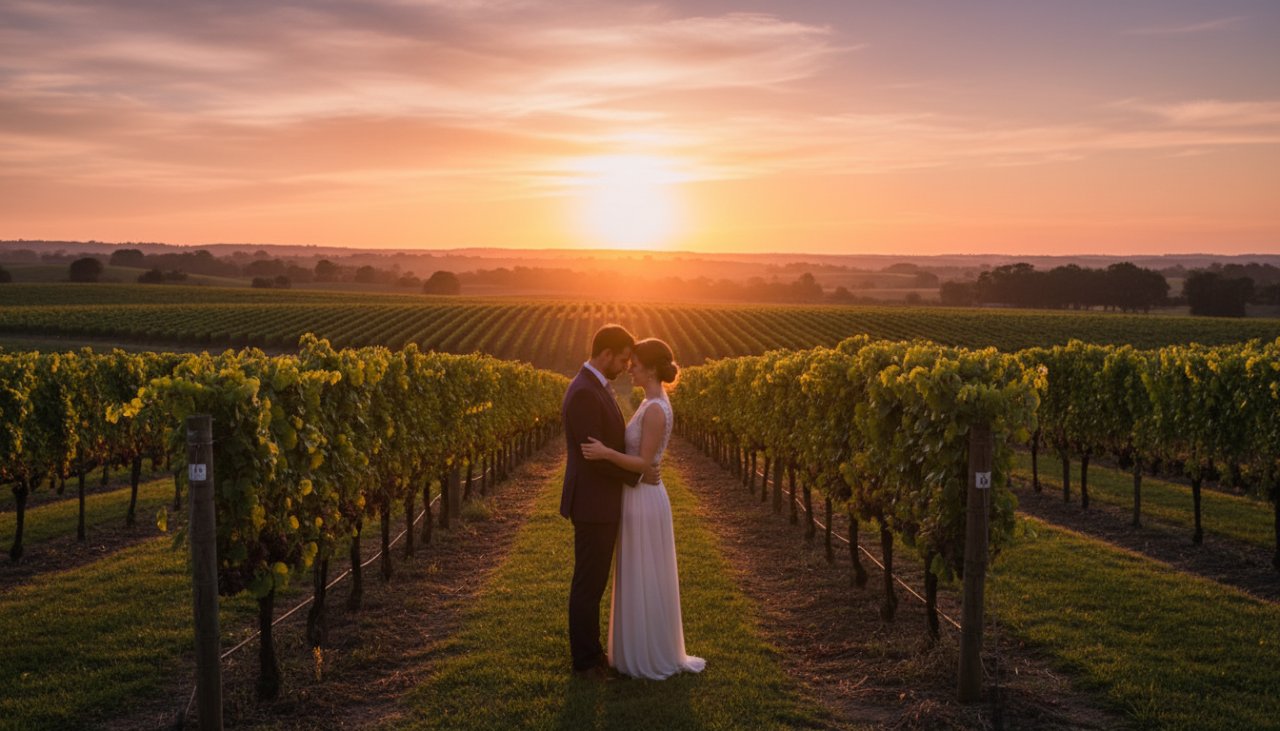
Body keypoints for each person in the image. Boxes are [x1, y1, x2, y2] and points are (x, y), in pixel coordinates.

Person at [582, 337, 706, 680]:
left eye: (635, 364)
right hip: (639, 494)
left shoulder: (654, 409)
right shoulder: (650, 402)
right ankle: (636, 648)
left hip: (644, 499)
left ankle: (648, 654)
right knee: (638, 570)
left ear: (651, 370)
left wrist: (605, 453)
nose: (629, 369)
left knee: (644, 572)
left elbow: (643, 462)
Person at [560, 325, 658, 678]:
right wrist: (638, 475)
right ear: (606, 354)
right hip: (593, 503)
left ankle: (591, 652)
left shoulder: (595, 386)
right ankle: (585, 661)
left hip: (599, 501)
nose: (625, 365)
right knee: (588, 583)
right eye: (622, 358)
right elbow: (594, 456)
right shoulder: (585, 392)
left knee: (594, 580)